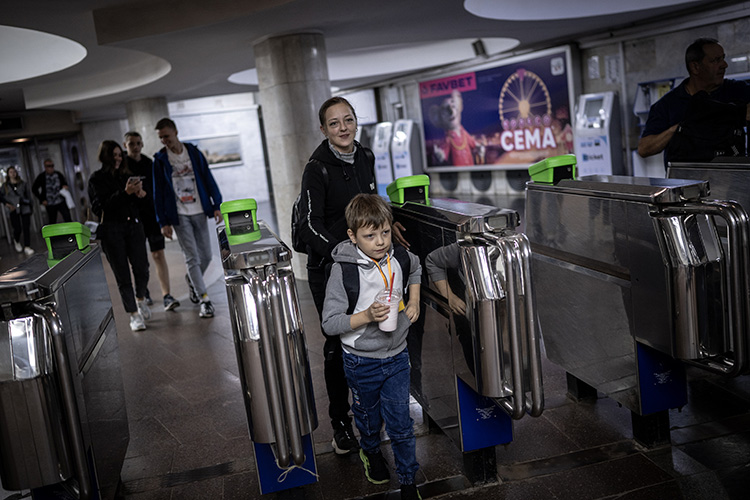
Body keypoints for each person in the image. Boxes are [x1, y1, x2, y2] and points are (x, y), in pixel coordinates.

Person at [298, 96, 410, 455]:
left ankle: (372, 413)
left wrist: (390, 223)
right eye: (334, 123)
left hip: (367, 264)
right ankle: (342, 424)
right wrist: (343, 254)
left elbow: (370, 202)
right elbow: (307, 227)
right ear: (324, 129)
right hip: (331, 269)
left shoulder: (365, 156)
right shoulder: (317, 168)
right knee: (337, 343)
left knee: (376, 330)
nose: (343, 128)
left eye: (348, 120)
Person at [321, 193, 422, 500]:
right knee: (368, 417)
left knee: (401, 422)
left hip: (396, 354)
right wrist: (365, 316)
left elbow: (416, 267)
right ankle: (370, 449)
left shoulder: (399, 257)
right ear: (352, 237)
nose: (380, 242)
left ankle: (408, 481)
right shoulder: (344, 270)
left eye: (385, 232)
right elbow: (330, 323)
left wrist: (414, 299)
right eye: (370, 236)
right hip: (360, 360)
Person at [638, 37, 750, 166]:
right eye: (716, 60)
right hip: (688, 181)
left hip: (730, 180)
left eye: (723, 58)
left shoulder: (738, 90)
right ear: (695, 67)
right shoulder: (668, 104)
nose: (724, 65)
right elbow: (644, 149)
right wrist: (677, 129)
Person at [152, 118, 222, 319]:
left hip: (199, 210)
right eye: (161, 137)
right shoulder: (160, 160)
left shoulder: (193, 152)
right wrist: (163, 221)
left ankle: (192, 280)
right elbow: (158, 193)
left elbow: (208, 178)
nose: (164, 140)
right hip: (179, 215)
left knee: (207, 257)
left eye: (166, 135)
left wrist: (216, 205)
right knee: (192, 256)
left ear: (175, 132)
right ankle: (204, 299)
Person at [88, 140, 152, 332]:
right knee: (122, 275)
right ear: (105, 157)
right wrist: (125, 193)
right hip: (111, 230)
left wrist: (140, 193)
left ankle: (141, 299)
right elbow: (100, 208)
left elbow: (139, 204)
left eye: (119, 155)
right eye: (113, 155)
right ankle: (133, 315)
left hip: (133, 226)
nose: (117, 159)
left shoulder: (128, 175)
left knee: (142, 268)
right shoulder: (96, 179)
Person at [124, 131, 180, 312]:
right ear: (125, 145)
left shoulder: (149, 163)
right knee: (139, 260)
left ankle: (167, 295)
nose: (136, 146)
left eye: (138, 143)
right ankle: (143, 291)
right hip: (133, 219)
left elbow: (158, 190)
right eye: (131, 143)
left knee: (158, 254)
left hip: (151, 216)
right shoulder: (122, 166)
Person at [2, 166, 35, 256]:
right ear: (8, 174)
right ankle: (16, 240)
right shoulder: (5, 186)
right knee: (17, 228)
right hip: (13, 208)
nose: (13, 173)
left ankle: (27, 246)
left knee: (26, 227)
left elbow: (28, 195)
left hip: (24, 207)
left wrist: (31, 206)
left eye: (14, 171)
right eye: (11, 172)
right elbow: (1, 197)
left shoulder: (23, 183)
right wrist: (7, 205)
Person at [32, 158, 72, 223]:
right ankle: (54, 233)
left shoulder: (58, 174)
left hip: (60, 200)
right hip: (49, 202)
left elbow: (64, 183)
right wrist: (42, 200)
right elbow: (34, 188)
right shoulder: (42, 177)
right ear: (45, 167)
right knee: (52, 220)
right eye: (48, 166)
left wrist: (65, 186)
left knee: (67, 217)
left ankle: (71, 232)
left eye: (52, 166)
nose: (51, 168)